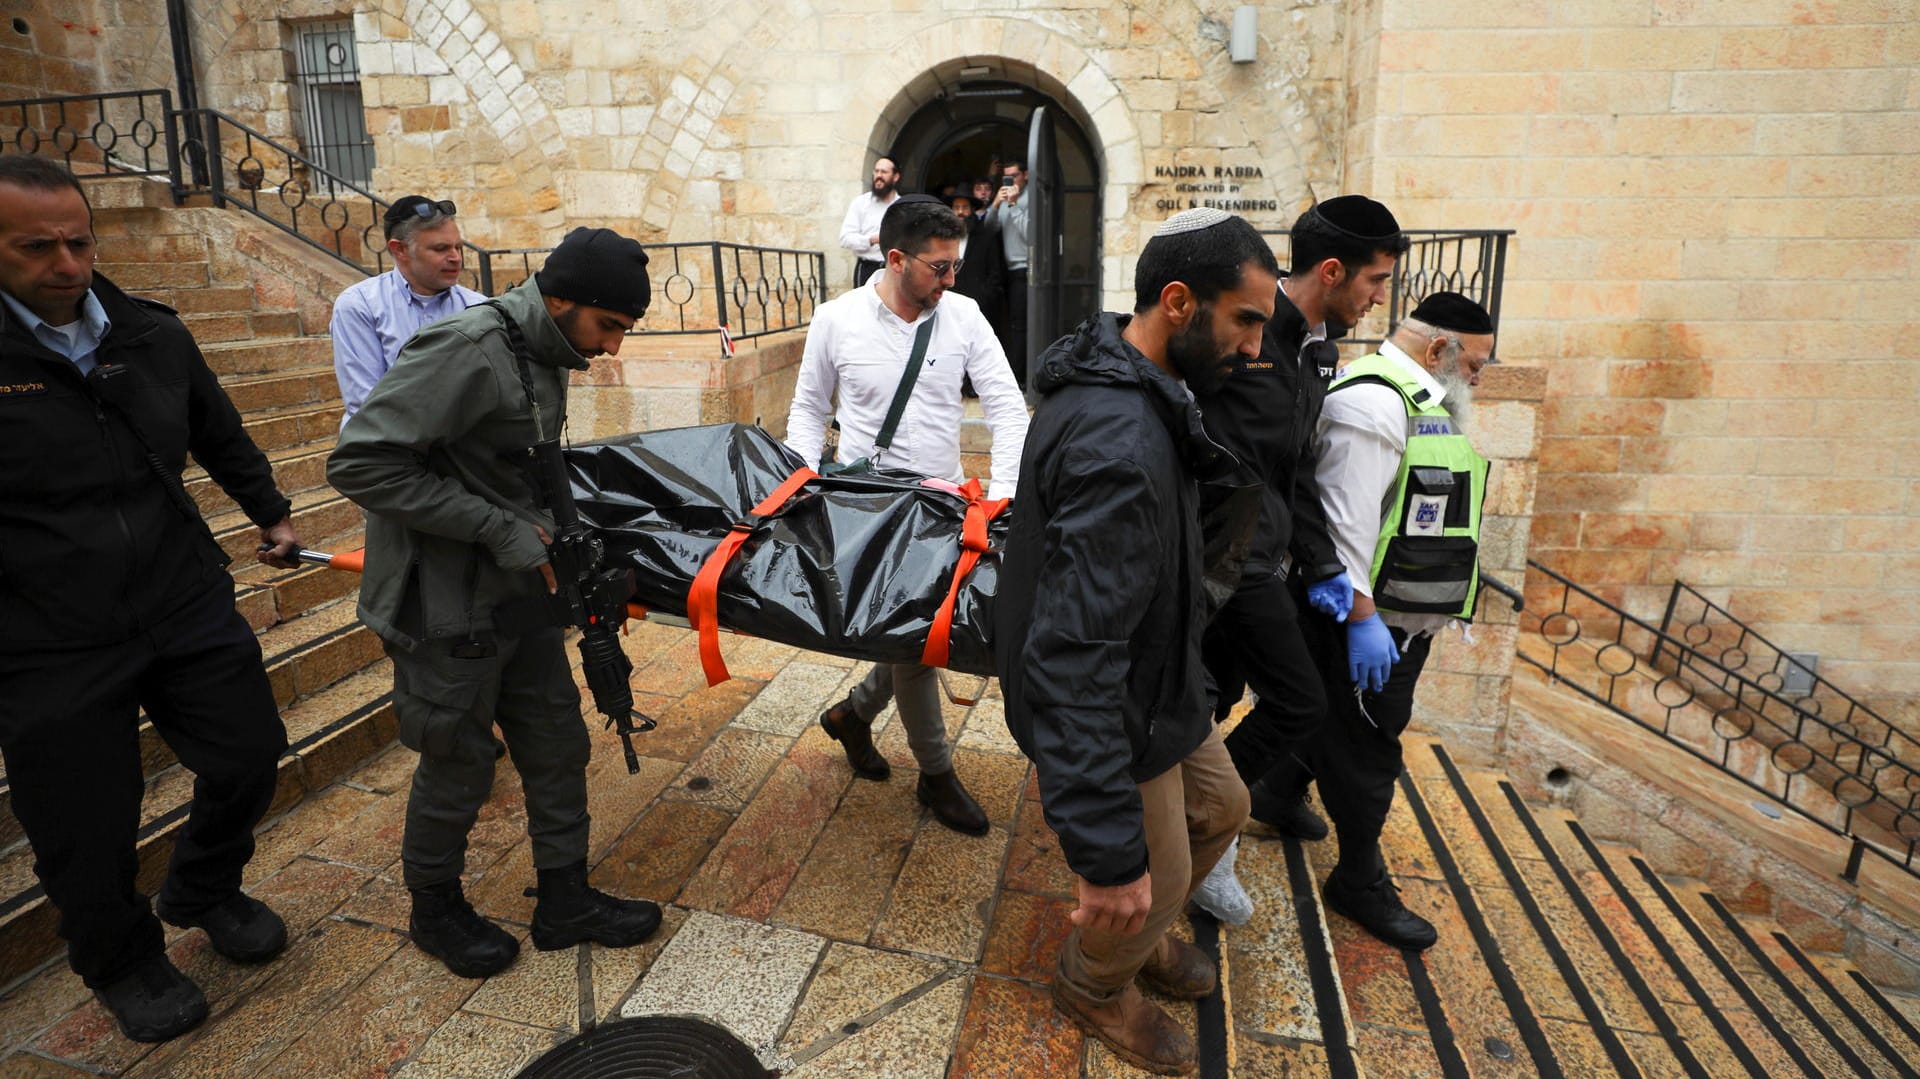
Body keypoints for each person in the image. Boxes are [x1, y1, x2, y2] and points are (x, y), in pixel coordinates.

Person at [0, 154, 302, 1042]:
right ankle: (121, 958)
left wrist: (273, 513)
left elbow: (218, 430)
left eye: (79, 241)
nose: (66, 264)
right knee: (84, 824)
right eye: (36, 248)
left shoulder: (150, 334)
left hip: (181, 595)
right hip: (46, 634)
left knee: (249, 751)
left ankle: (203, 883)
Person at [326, 227, 662, 979]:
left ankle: (565, 898)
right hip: (443, 607)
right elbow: (361, 462)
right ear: (562, 297)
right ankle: (435, 906)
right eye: (609, 327)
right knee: (458, 759)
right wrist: (501, 528)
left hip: (520, 597)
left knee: (555, 741)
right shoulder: (469, 347)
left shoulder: (543, 350)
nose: (612, 348)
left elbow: (507, 466)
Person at [994, 208, 1276, 1076]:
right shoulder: (1117, 437)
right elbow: (1075, 652)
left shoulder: (1147, 384)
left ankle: (1141, 934)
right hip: (1118, 702)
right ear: (1180, 303)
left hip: (1161, 679)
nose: (1257, 348)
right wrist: (1106, 856)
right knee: (1145, 867)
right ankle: (1093, 980)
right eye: (1246, 321)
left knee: (1223, 809)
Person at [1188, 196, 1409, 926]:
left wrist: (1321, 566)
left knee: (1218, 697)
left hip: (1262, 557)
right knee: (1297, 700)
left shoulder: (1315, 349)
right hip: (1223, 559)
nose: (1378, 299)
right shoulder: (1252, 336)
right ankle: (1202, 832)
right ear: (1334, 270)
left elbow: (1298, 473)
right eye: (1375, 281)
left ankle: (1203, 830)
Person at [785, 196, 1028, 836]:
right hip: (867, 507)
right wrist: (799, 487)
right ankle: (937, 774)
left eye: (957, 266)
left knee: (914, 636)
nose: (952, 280)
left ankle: (853, 717)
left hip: (943, 506)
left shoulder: (966, 316)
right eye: (940, 267)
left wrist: (1003, 494)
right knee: (918, 644)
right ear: (896, 259)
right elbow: (809, 409)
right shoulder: (836, 320)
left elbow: (1006, 406)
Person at [1292, 291, 1495, 950]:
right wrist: (1361, 619)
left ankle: (1273, 793)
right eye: (1474, 366)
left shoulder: (1419, 402)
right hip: (1368, 623)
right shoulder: (1374, 404)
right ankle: (1358, 879)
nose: (1477, 380)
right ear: (1438, 350)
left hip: (1402, 621)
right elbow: (1346, 525)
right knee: (1369, 749)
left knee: (1338, 722)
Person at [330, 195, 486, 427]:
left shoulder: (478, 307)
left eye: (458, 247)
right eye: (441, 248)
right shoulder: (360, 305)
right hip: (384, 449)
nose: (456, 258)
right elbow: (367, 404)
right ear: (400, 249)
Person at [983, 160, 1031, 386]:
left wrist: (1013, 206)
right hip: (1008, 272)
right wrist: (995, 204)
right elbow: (988, 230)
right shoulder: (1004, 201)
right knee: (1012, 325)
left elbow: (1030, 236)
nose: (1010, 181)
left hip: (1029, 270)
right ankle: (1013, 374)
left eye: (1014, 176)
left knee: (1021, 326)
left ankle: (1020, 378)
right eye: (1006, 177)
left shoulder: (1032, 199)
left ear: (1026, 176)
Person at [947, 192, 1006, 341]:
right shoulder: (944, 238)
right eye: (956, 208)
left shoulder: (986, 237)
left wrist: (986, 296)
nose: (960, 212)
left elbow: (995, 274)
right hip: (949, 306)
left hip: (979, 307)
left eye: (965, 207)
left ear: (972, 210)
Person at [837, 156, 902, 287]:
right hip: (867, 268)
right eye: (876, 171)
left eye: (884, 172)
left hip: (895, 269)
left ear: (895, 177)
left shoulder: (902, 206)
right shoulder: (860, 203)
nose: (878, 176)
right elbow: (845, 239)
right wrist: (873, 239)